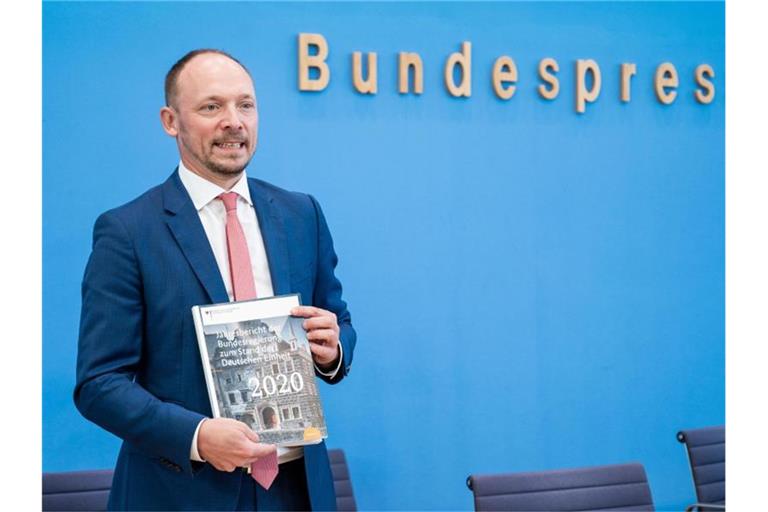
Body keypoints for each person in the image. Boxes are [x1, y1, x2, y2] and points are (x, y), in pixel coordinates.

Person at [74, 49, 357, 511]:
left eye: (245, 105)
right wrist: (198, 436)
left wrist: (333, 348)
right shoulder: (128, 231)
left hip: (295, 491)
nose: (234, 121)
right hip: (181, 494)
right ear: (171, 121)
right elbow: (100, 383)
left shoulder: (301, 214)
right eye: (212, 107)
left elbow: (338, 319)